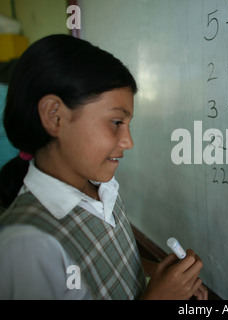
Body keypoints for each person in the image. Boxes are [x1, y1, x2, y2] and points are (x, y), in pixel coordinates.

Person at [0, 34, 207, 300]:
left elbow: (110, 265)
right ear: (55, 116)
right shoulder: (23, 248)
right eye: (116, 122)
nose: (128, 141)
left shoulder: (104, 187)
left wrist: (166, 278)